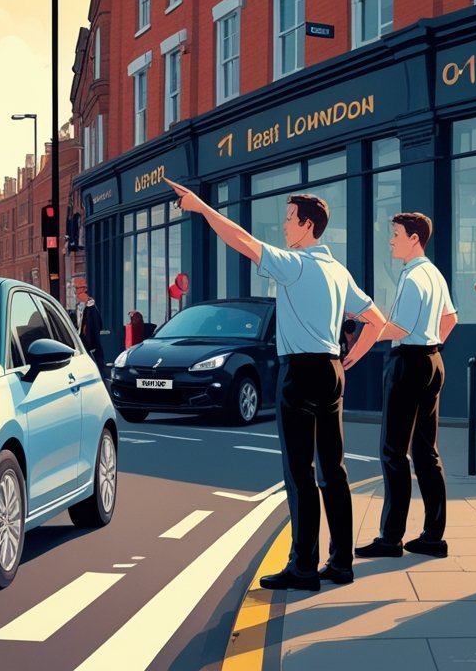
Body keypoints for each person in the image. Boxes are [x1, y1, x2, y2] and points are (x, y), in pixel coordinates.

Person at [166, 178, 387, 591]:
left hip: (300, 374)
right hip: (331, 372)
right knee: (333, 470)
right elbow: (375, 320)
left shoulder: (295, 263)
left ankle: (303, 567)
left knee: (300, 473)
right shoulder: (338, 272)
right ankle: (341, 563)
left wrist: (202, 208)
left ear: (306, 225)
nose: (283, 226)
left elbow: (242, 241)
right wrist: (349, 359)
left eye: (288, 219)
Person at [355, 212, 457, 559]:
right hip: (432, 361)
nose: (391, 240)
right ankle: (433, 536)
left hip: (408, 364)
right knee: (427, 452)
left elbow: (398, 327)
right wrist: (433, 345)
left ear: (414, 238)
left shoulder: (412, 277)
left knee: (394, 453)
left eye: (396, 234)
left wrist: (369, 334)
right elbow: (451, 319)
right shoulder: (435, 274)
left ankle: (390, 539)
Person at [74, 278, 105, 375]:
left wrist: (92, 346)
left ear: (84, 289)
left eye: (78, 289)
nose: (76, 292)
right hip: (81, 345)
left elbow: (97, 326)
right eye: (76, 289)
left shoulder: (91, 308)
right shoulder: (78, 307)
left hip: (91, 347)